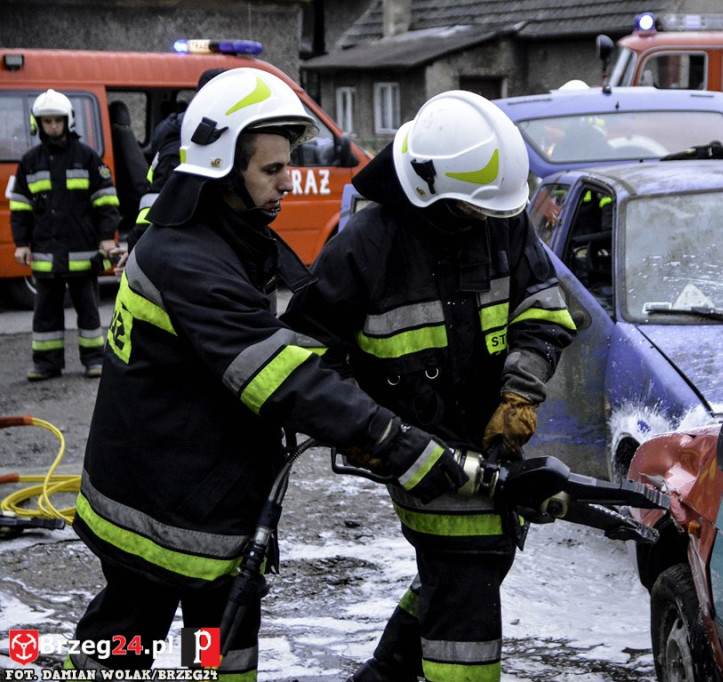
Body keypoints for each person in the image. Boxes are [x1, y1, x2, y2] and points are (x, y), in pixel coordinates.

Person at [67, 68, 469, 679]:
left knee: (219, 653)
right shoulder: (190, 261)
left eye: (288, 164)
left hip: (195, 492)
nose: (289, 180)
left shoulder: (215, 232)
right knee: (125, 649)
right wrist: (396, 440)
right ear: (223, 169)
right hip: (165, 512)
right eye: (272, 170)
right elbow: (281, 380)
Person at [282, 90, 577, 682]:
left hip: (492, 434)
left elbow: (543, 305)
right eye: (474, 211)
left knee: (477, 560)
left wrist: (520, 393)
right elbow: (304, 358)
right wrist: (364, 430)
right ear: (429, 192)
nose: (488, 221)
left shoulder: (500, 220)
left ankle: (388, 671)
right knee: (465, 573)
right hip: (410, 445)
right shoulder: (363, 248)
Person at [9, 89, 120, 381]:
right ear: (38, 124)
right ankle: (46, 363)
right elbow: (20, 207)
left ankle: (95, 360)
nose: (53, 127)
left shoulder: (89, 158)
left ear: (68, 121)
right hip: (47, 254)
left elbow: (107, 202)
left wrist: (107, 238)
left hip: (83, 254)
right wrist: (21, 244)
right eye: (47, 122)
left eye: (57, 120)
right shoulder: (29, 162)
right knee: (45, 313)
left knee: (89, 312)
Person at [111, 68, 226, 275]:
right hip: (184, 249)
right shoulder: (182, 145)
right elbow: (156, 201)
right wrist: (138, 247)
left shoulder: (205, 135)